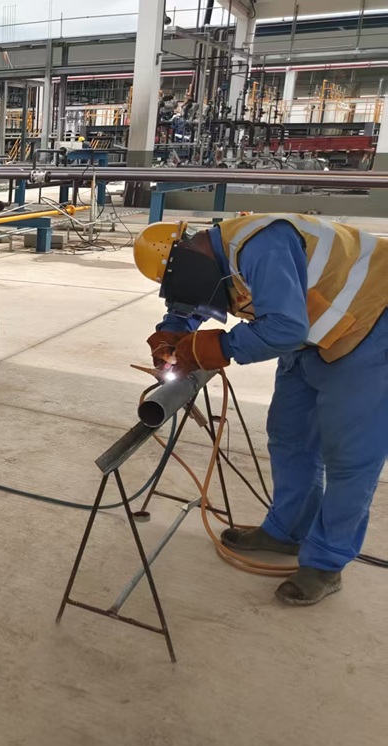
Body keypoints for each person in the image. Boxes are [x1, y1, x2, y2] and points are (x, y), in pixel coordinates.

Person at [134, 215, 388, 606]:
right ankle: (286, 532)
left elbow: (285, 327)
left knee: (350, 457)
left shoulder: (262, 245)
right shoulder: (210, 260)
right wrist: (174, 330)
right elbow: (190, 300)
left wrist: (213, 348)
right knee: (290, 436)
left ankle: (325, 563)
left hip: (373, 327)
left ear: (189, 255)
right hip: (313, 336)